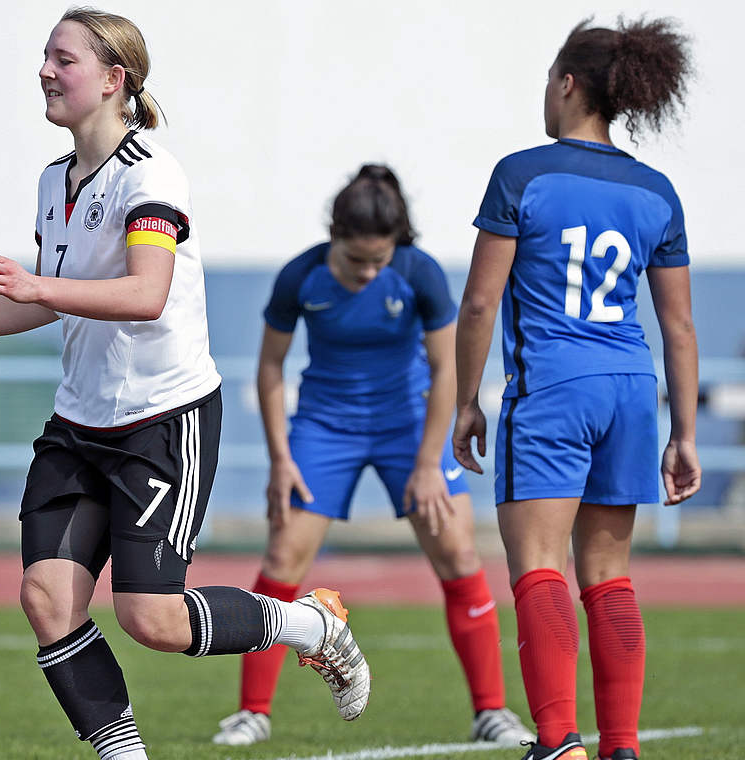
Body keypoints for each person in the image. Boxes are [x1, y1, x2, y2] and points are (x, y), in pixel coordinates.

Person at [0, 9, 369, 759]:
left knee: (152, 620)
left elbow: (145, 294)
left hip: (162, 421)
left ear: (114, 79)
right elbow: (46, 298)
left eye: (62, 59)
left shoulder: (151, 174)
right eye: (44, 55)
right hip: (80, 422)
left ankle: (312, 626)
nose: (44, 70)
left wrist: (37, 285)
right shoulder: (52, 180)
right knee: (46, 600)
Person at [212, 166, 534, 747]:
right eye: (356, 260)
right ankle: (251, 713)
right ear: (335, 236)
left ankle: (491, 712)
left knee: (460, 551)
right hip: (324, 426)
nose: (367, 272)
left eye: (377, 261)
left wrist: (430, 462)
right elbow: (269, 368)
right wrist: (281, 458)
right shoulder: (300, 275)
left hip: (407, 423)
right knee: (283, 554)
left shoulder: (418, 272)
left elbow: (446, 371)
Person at [454, 17, 698, 760]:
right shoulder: (656, 190)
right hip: (631, 388)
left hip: (554, 389)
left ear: (566, 83)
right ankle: (621, 746)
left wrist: (468, 399)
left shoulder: (522, 173)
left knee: (539, 568)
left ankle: (559, 742)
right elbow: (679, 327)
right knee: (610, 578)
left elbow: (479, 304)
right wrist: (683, 433)